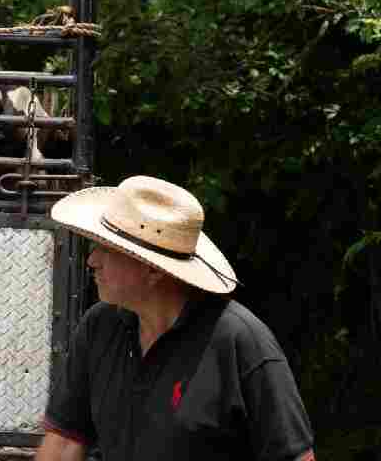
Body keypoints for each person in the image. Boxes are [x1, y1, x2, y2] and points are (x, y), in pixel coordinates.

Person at [36, 175, 315, 461]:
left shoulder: (240, 341)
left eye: (107, 249)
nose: (92, 260)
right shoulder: (99, 327)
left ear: (153, 269)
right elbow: (63, 445)